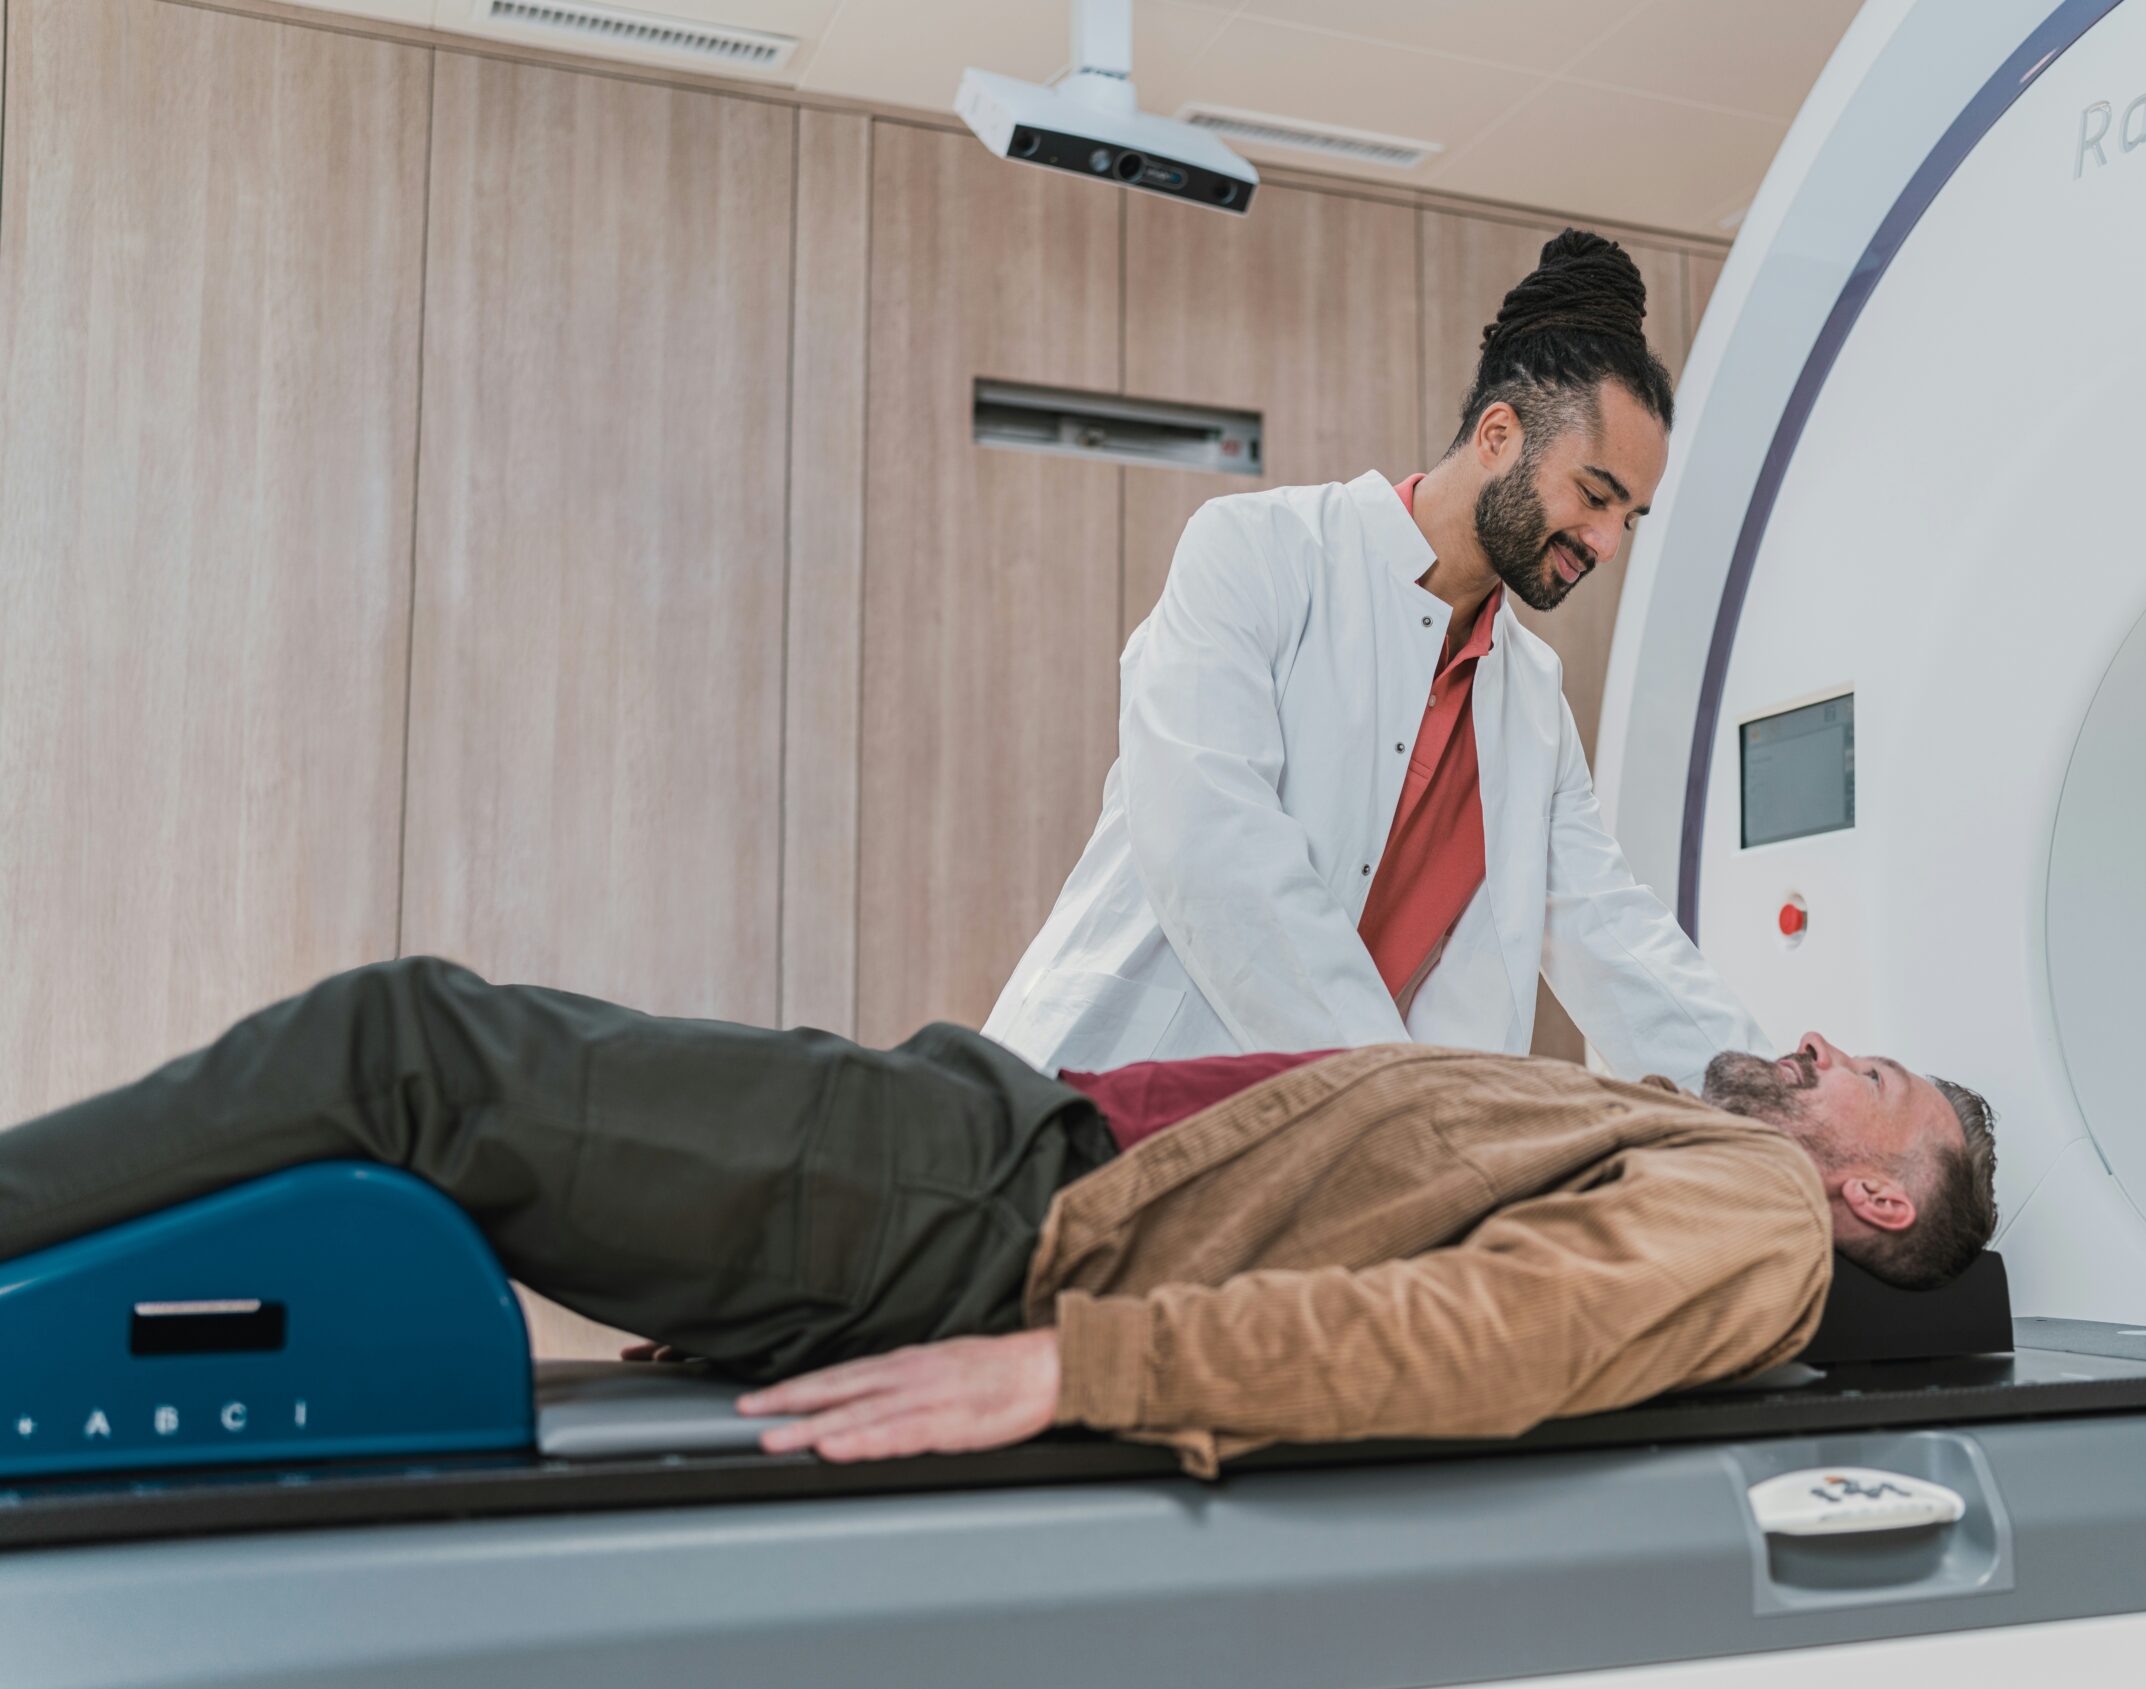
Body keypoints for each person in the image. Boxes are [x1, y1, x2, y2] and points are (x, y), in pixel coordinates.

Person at [0, 959, 1996, 1477]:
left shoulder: (1748, 1217)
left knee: (407, 1046)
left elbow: (1483, 1339)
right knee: (435, 1076)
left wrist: (1077, 1365)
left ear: (1877, 1188)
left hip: (982, 1211)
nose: (1823, 1044)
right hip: (974, 1138)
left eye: (1872, 1070)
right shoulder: (1669, 1130)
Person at [989, 229, 1767, 1088]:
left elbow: (1613, 933)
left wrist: (1781, 1105)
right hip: (1106, 1085)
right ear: (1499, 435)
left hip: (1318, 1144)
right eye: (1594, 496)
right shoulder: (1258, 553)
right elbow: (1214, 854)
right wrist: (1398, 1096)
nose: (1607, 543)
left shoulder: (1533, 704)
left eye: (1631, 518)